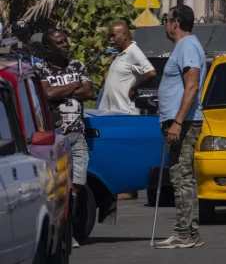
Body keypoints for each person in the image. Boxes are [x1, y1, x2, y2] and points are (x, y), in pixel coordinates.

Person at [35, 28, 94, 248]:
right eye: (59, 42)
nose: (65, 44)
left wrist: (61, 90)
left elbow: (89, 92)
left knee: (78, 182)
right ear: (48, 48)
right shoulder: (40, 68)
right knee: (57, 187)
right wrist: (73, 85)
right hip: (55, 136)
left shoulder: (77, 65)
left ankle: (67, 226)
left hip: (77, 134)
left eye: (65, 40)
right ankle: (63, 232)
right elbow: (47, 94)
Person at [155, 5, 206, 249]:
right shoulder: (185, 47)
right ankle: (190, 232)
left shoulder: (187, 46)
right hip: (180, 121)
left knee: (180, 176)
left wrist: (176, 122)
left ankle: (184, 233)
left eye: (166, 20)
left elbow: (192, 85)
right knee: (184, 176)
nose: (165, 24)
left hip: (183, 123)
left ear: (175, 22)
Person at [98, 22, 157, 115]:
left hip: (125, 113)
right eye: (110, 36)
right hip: (111, 112)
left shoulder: (134, 52)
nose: (111, 39)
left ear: (125, 35)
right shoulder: (121, 53)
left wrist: (134, 88)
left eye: (113, 36)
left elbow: (151, 73)